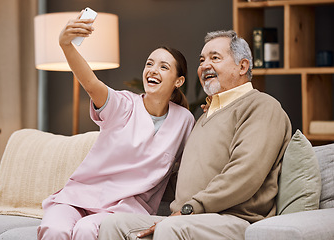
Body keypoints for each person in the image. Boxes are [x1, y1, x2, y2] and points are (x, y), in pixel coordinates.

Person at [98, 30, 292, 240]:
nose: (204, 65)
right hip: (190, 217)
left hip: (235, 219)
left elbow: (245, 173)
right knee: (113, 224)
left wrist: (190, 208)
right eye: (202, 60)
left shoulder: (262, 106)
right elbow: (179, 180)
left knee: (169, 229)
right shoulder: (204, 117)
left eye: (215, 58)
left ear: (242, 66)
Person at [37, 10, 195, 240]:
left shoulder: (184, 120)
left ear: (178, 81)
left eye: (163, 67)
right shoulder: (123, 104)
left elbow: (191, 169)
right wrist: (66, 46)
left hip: (124, 210)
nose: (152, 70)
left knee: (86, 229)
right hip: (78, 197)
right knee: (55, 229)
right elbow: (91, 83)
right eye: (149, 63)